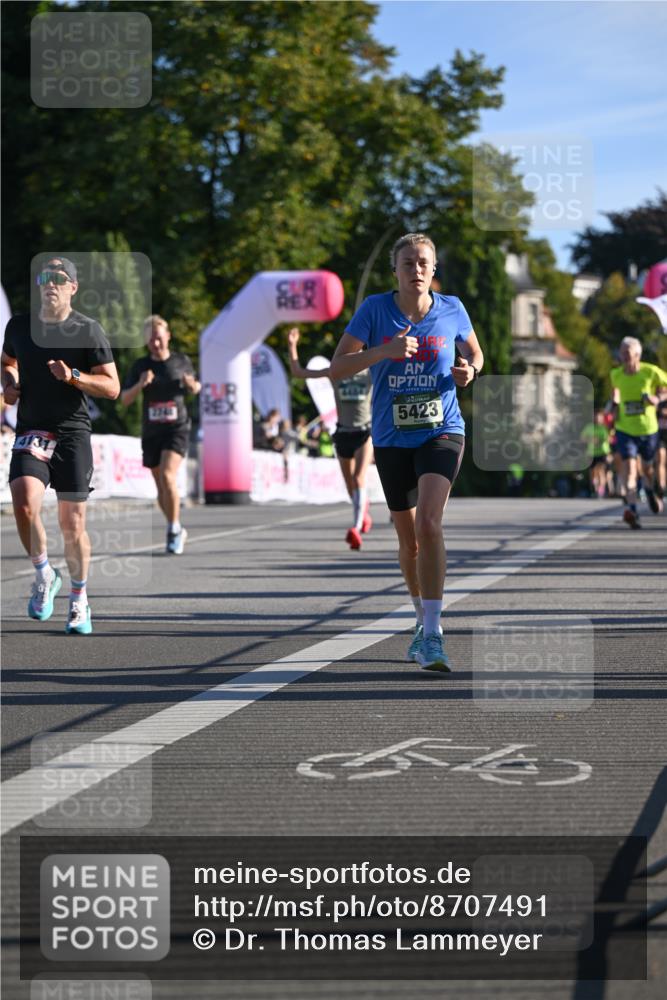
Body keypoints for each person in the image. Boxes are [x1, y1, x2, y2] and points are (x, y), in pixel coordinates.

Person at [329, 233, 484, 672]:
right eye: (408, 262)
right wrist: (384, 351)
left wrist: (468, 371)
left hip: (442, 429)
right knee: (409, 539)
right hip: (392, 436)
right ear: (395, 271)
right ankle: (420, 619)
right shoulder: (375, 310)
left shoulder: (452, 309)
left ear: (433, 270)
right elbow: (338, 367)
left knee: (430, 523)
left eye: (424, 263)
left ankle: (433, 633)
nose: (416, 269)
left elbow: (476, 353)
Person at [1, 256, 120, 634]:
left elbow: (113, 386)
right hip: (33, 427)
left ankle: (80, 597)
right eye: (44, 277)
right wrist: (8, 382)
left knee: (72, 524)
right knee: (22, 501)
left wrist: (73, 376)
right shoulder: (19, 325)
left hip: (71, 433)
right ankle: (43, 573)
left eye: (59, 278)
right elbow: (8, 360)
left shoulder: (87, 329)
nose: (50, 283)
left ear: (73, 287)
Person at [120, 315, 200, 554]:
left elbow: (197, 387)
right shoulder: (140, 366)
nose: (155, 343)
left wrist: (190, 384)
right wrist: (140, 384)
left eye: (158, 338)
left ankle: (173, 530)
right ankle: (174, 524)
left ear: (168, 336)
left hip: (177, 427)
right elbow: (124, 399)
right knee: (160, 487)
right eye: (150, 340)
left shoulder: (181, 361)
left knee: (167, 475)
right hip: (152, 429)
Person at [287, 327, 373, 548]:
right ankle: (362, 512)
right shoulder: (335, 371)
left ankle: (355, 529)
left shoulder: (371, 371)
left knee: (358, 478)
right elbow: (298, 372)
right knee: (349, 485)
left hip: (365, 431)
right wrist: (292, 345)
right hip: (342, 432)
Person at [609, 336, 667, 528]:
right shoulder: (616, 374)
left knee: (648, 470)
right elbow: (615, 393)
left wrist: (657, 399)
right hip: (625, 429)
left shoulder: (651, 372)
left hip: (648, 428)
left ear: (637, 355)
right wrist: (615, 402)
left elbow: (665, 389)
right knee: (630, 469)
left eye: (628, 353)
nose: (625, 356)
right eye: (622, 352)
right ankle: (632, 511)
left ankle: (650, 491)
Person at [580, 410, 611, 498]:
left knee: (601, 471)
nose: (597, 419)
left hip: (603, 452)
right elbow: (583, 438)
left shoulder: (604, 427)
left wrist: (601, 441)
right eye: (595, 417)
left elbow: (609, 438)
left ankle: (601, 490)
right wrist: (591, 440)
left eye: (599, 417)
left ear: (601, 418)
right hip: (592, 453)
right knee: (593, 472)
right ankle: (595, 488)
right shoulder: (589, 427)